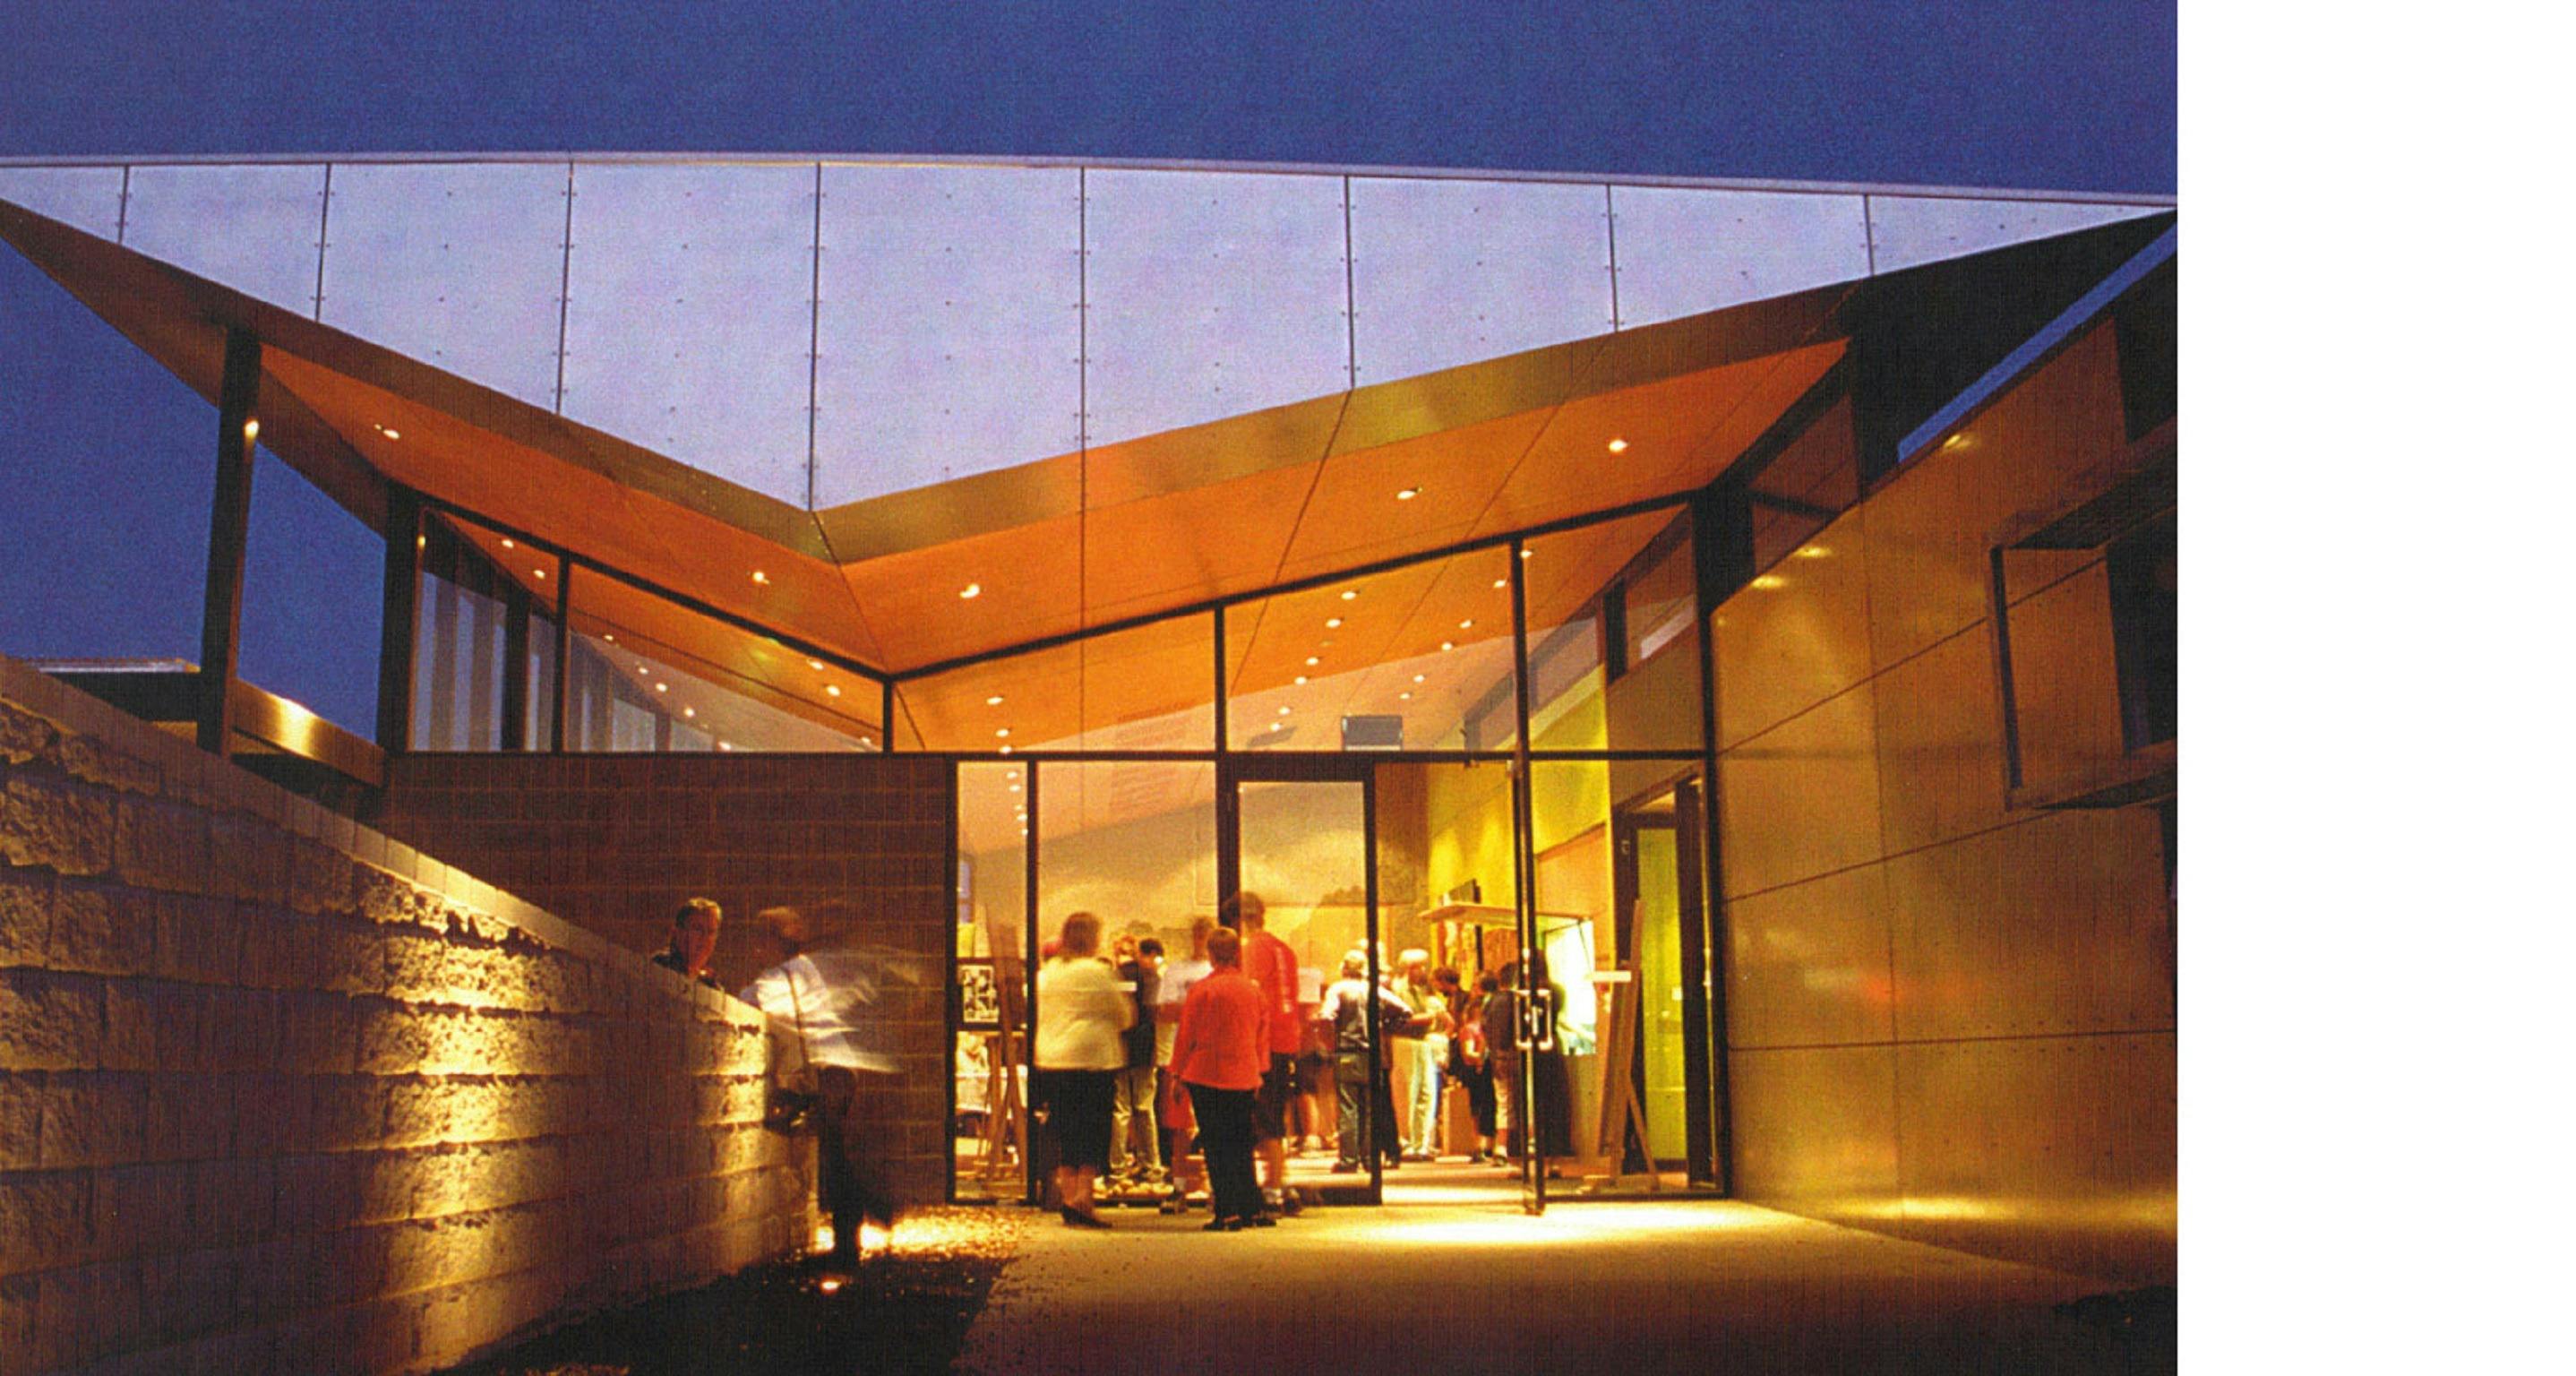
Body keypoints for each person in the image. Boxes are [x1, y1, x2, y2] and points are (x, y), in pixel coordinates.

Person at [738, 906, 897, 1273]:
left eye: (761, 939)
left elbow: (750, 1003)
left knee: (834, 1162)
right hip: (837, 1070)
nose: (756, 947)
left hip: (826, 1075)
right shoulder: (803, 968)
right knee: (833, 1156)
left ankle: (858, 1228)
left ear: (774, 942)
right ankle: (858, 1225)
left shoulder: (780, 976)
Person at [1034, 912, 1132, 1228]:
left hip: (1053, 1057)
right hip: (1093, 1058)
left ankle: (1067, 1196)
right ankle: (1083, 1199)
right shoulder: (1097, 972)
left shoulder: (1047, 973)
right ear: (1091, 938)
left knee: (1065, 1127)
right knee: (1093, 1128)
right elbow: (1123, 1015)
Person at [1171, 927, 1273, 1231]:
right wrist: (1259, 1071)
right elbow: (1262, 1036)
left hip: (1207, 1073)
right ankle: (1250, 1208)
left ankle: (1226, 1211)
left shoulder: (1202, 990)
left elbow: (1186, 1035)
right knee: (1242, 1143)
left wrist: (1177, 1073)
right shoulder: (1253, 990)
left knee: (1216, 1145)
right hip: (1244, 1074)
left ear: (1211, 954)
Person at [1229, 892, 1305, 1217]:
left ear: (1239, 920)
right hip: (1286, 1036)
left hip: (1264, 1040)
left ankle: (1273, 1185)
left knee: (1264, 1116)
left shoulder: (1254, 949)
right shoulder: (1283, 948)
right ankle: (1279, 1179)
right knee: (1276, 1111)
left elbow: (1251, 993)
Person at [1318, 951, 1413, 1174]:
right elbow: (1406, 1011)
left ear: (1344, 969)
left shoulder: (1338, 990)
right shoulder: (1376, 990)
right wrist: (1386, 1028)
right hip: (1373, 1054)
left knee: (1348, 1108)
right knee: (1370, 1109)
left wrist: (1331, 1040)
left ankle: (1348, 1159)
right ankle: (1370, 1158)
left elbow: (1326, 1016)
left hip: (1347, 1052)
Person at [1154, 916, 1216, 1213]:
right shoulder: (1177, 970)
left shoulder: (1218, 973)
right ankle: (1178, 1187)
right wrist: (1198, 1009)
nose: (1201, 940)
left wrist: (1188, 1008)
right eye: (1198, 935)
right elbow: (1165, 1010)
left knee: (1212, 1125)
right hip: (1179, 1055)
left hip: (1212, 1056)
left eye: (1207, 935)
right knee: (1179, 1127)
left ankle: (1215, 1186)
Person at [1107, 935, 1164, 1190]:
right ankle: (1151, 1166)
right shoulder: (1150, 976)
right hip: (1144, 1048)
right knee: (1144, 1107)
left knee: (1120, 1110)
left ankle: (1118, 1169)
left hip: (1120, 1048)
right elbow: (1155, 1013)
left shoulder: (1113, 976)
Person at [1398, 950, 1451, 1159]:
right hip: (1407, 1041)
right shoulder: (1399, 990)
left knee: (1426, 1092)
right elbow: (1398, 1019)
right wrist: (1426, 1018)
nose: (1422, 971)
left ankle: (1422, 1143)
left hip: (1423, 1042)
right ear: (1408, 968)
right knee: (1409, 1093)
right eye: (1418, 967)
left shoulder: (1420, 991)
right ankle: (1408, 1142)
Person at [1451, 970, 1498, 1164]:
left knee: (1481, 1107)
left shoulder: (1472, 1028)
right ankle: (1484, 1144)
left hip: (1481, 1069)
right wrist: (1480, 1057)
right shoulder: (1472, 1029)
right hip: (1480, 1069)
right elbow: (1468, 1052)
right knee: (1484, 1106)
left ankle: (1483, 1144)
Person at [1483, 960, 1523, 1165]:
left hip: (1498, 1056)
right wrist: (1501, 1055)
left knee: (1504, 1100)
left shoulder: (1493, 1001)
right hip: (1507, 1056)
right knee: (1507, 1100)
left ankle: (1503, 1146)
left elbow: (1488, 1029)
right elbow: (1500, 1030)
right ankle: (1504, 1146)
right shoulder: (1508, 1001)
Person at [651, 897, 723, 989]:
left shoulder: (711, 987)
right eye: (698, 929)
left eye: (711, 932)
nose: (705, 938)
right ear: (678, 933)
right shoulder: (658, 968)